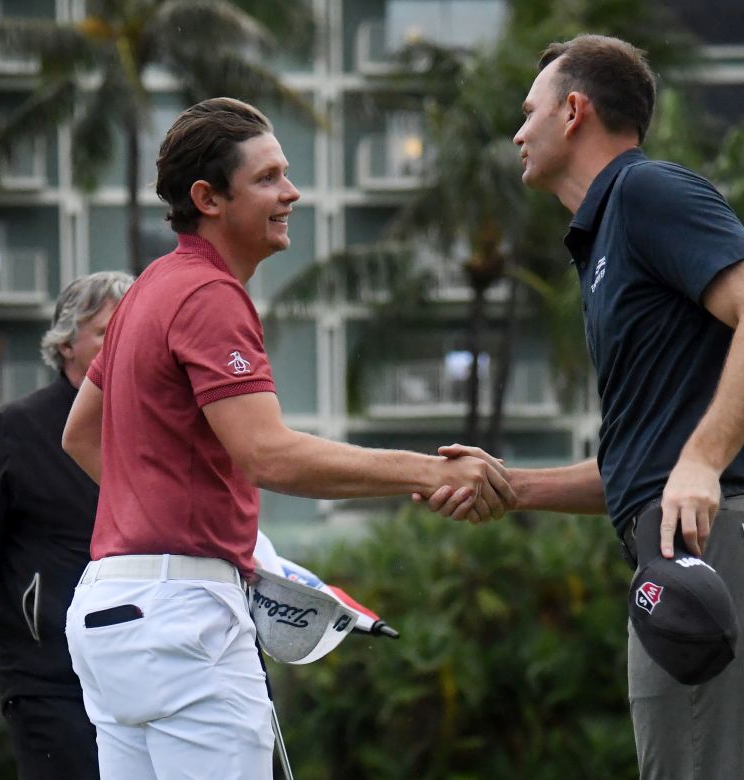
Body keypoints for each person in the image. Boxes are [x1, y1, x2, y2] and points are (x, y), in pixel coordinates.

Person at [60, 96, 514, 780]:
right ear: (208, 198)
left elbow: (80, 433)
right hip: (182, 620)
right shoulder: (208, 295)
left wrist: (165, 514)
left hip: (109, 612)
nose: (291, 192)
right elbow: (267, 453)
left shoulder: (151, 287)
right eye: (269, 177)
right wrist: (428, 472)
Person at [421, 35, 744, 779]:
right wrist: (512, 488)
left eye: (530, 111)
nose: (518, 132)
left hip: (715, 548)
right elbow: (646, 470)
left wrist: (703, 463)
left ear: (574, 110)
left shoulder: (645, 194)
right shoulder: (608, 237)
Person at [0, 271, 133, 779]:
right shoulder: (16, 429)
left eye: (131, 330)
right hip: (48, 676)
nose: (121, 343)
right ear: (66, 344)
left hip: (146, 669)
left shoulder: (159, 424)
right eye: (105, 332)